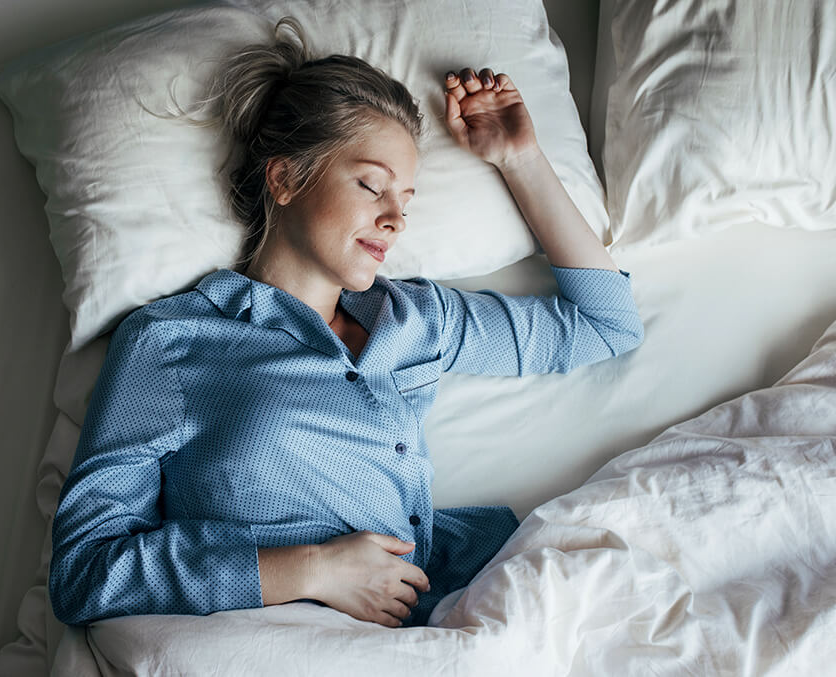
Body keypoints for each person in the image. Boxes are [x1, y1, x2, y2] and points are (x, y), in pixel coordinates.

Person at [49, 18, 644, 629]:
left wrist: (520, 159)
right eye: (371, 186)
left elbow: (607, 325)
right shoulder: (172, 341)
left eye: (406, 202)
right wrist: (311, 569)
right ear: (285, 178)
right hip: (278, 642)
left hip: (451, 612)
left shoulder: (417, 321)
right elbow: (85, 572)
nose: (395, 219)